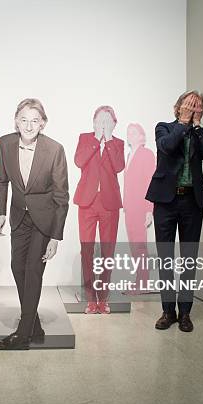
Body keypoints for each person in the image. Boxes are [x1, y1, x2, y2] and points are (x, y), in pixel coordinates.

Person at [0, 98, 69, 350]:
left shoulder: (55, 150)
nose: (28, 125)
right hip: (18, 217)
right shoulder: (5, 143)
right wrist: (1, 213)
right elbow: (2, 180)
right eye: (23, 119)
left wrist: (56, 237)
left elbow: (61, 196)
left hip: (44, 221)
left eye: (35, 120)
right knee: (17, 267)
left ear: (43, 123)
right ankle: (34, 324)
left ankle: (23, 334)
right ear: (16, 120)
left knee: (33, 270)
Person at [145, 91, 203, 332]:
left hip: (192, 202)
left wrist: (197, 126)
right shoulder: (164, 128)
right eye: (189, 105)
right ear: (178, 107)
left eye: (197, 106)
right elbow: (166, 147)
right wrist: (184, 123)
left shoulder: (198, 134)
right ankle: (168, 311)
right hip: (165, 201)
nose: (193, 108)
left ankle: (185, 312)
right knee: (165, 257)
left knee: (188, 259)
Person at [74, 106, 125, 314]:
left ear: (114, 123)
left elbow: (119, 167)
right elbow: (79, 161)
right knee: (86, 251)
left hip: (109, 205)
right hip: (87, 203)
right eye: (100, 120)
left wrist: (109, 140)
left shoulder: (118, 144)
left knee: (107, 252)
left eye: (108, 120)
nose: (103, 124)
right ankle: (90, 299)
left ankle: (103, 299)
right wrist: (97, 140)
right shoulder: (85, 138)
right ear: (93, 122)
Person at [123, 123, 155, 294]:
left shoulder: (146, 154)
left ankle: (143, 283)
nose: (130, 135)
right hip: (129, 208)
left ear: (141, 136)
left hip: (141, 207)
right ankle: (139, 281)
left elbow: (151, 182)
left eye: (133, 132)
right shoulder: (129, 155)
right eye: (128, 132)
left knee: (140, 246)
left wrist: (149, 210)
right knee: (134, 246)